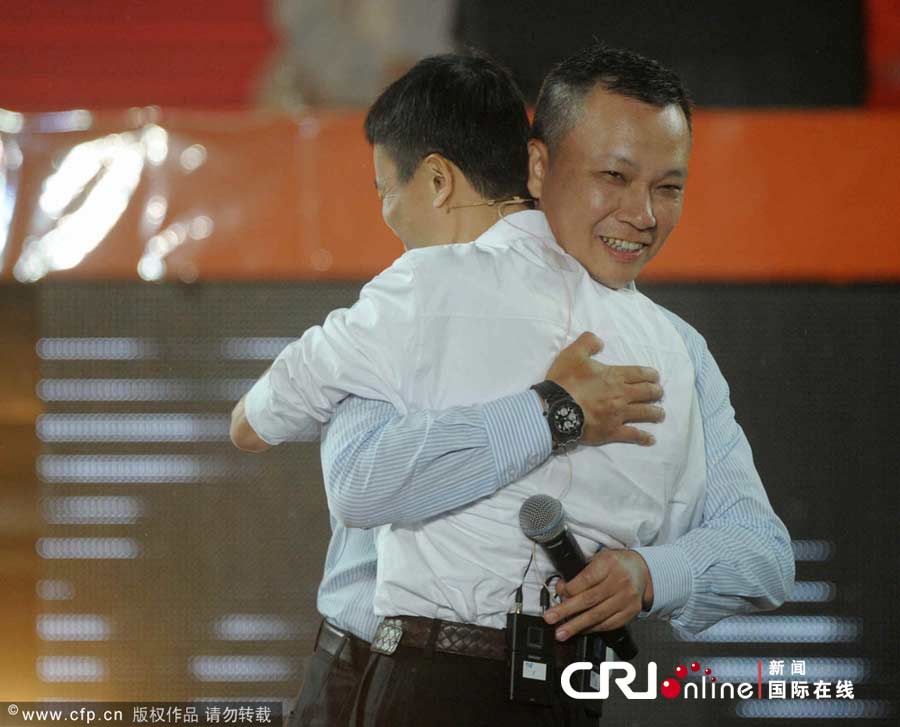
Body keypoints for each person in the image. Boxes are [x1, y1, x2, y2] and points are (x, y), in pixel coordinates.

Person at [233, 46, 794, 727]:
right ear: (538, 166)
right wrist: (550, 413)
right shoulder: (429, 287)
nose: (643, 213)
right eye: (614, 176)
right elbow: (358, 478)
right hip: (373, 665)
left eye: (668, 188)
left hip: (556, 689)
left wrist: (650, 574)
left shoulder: (676, 348)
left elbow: (761, 550)